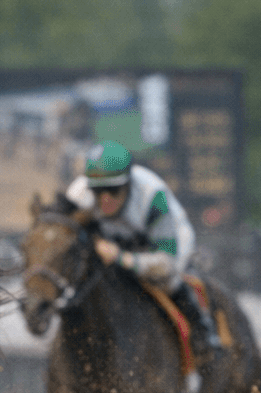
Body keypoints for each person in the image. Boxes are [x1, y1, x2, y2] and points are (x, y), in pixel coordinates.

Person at [65, 140, 221, 351]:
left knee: (168, 282)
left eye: (113, 189)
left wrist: (122, 259)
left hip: (162, 245)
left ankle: (203, 331)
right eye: (98, 190)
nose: (105, 199)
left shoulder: (151, 194)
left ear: (129, 183)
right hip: (112, 243)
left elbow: (166, 261)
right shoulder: (77, 195)